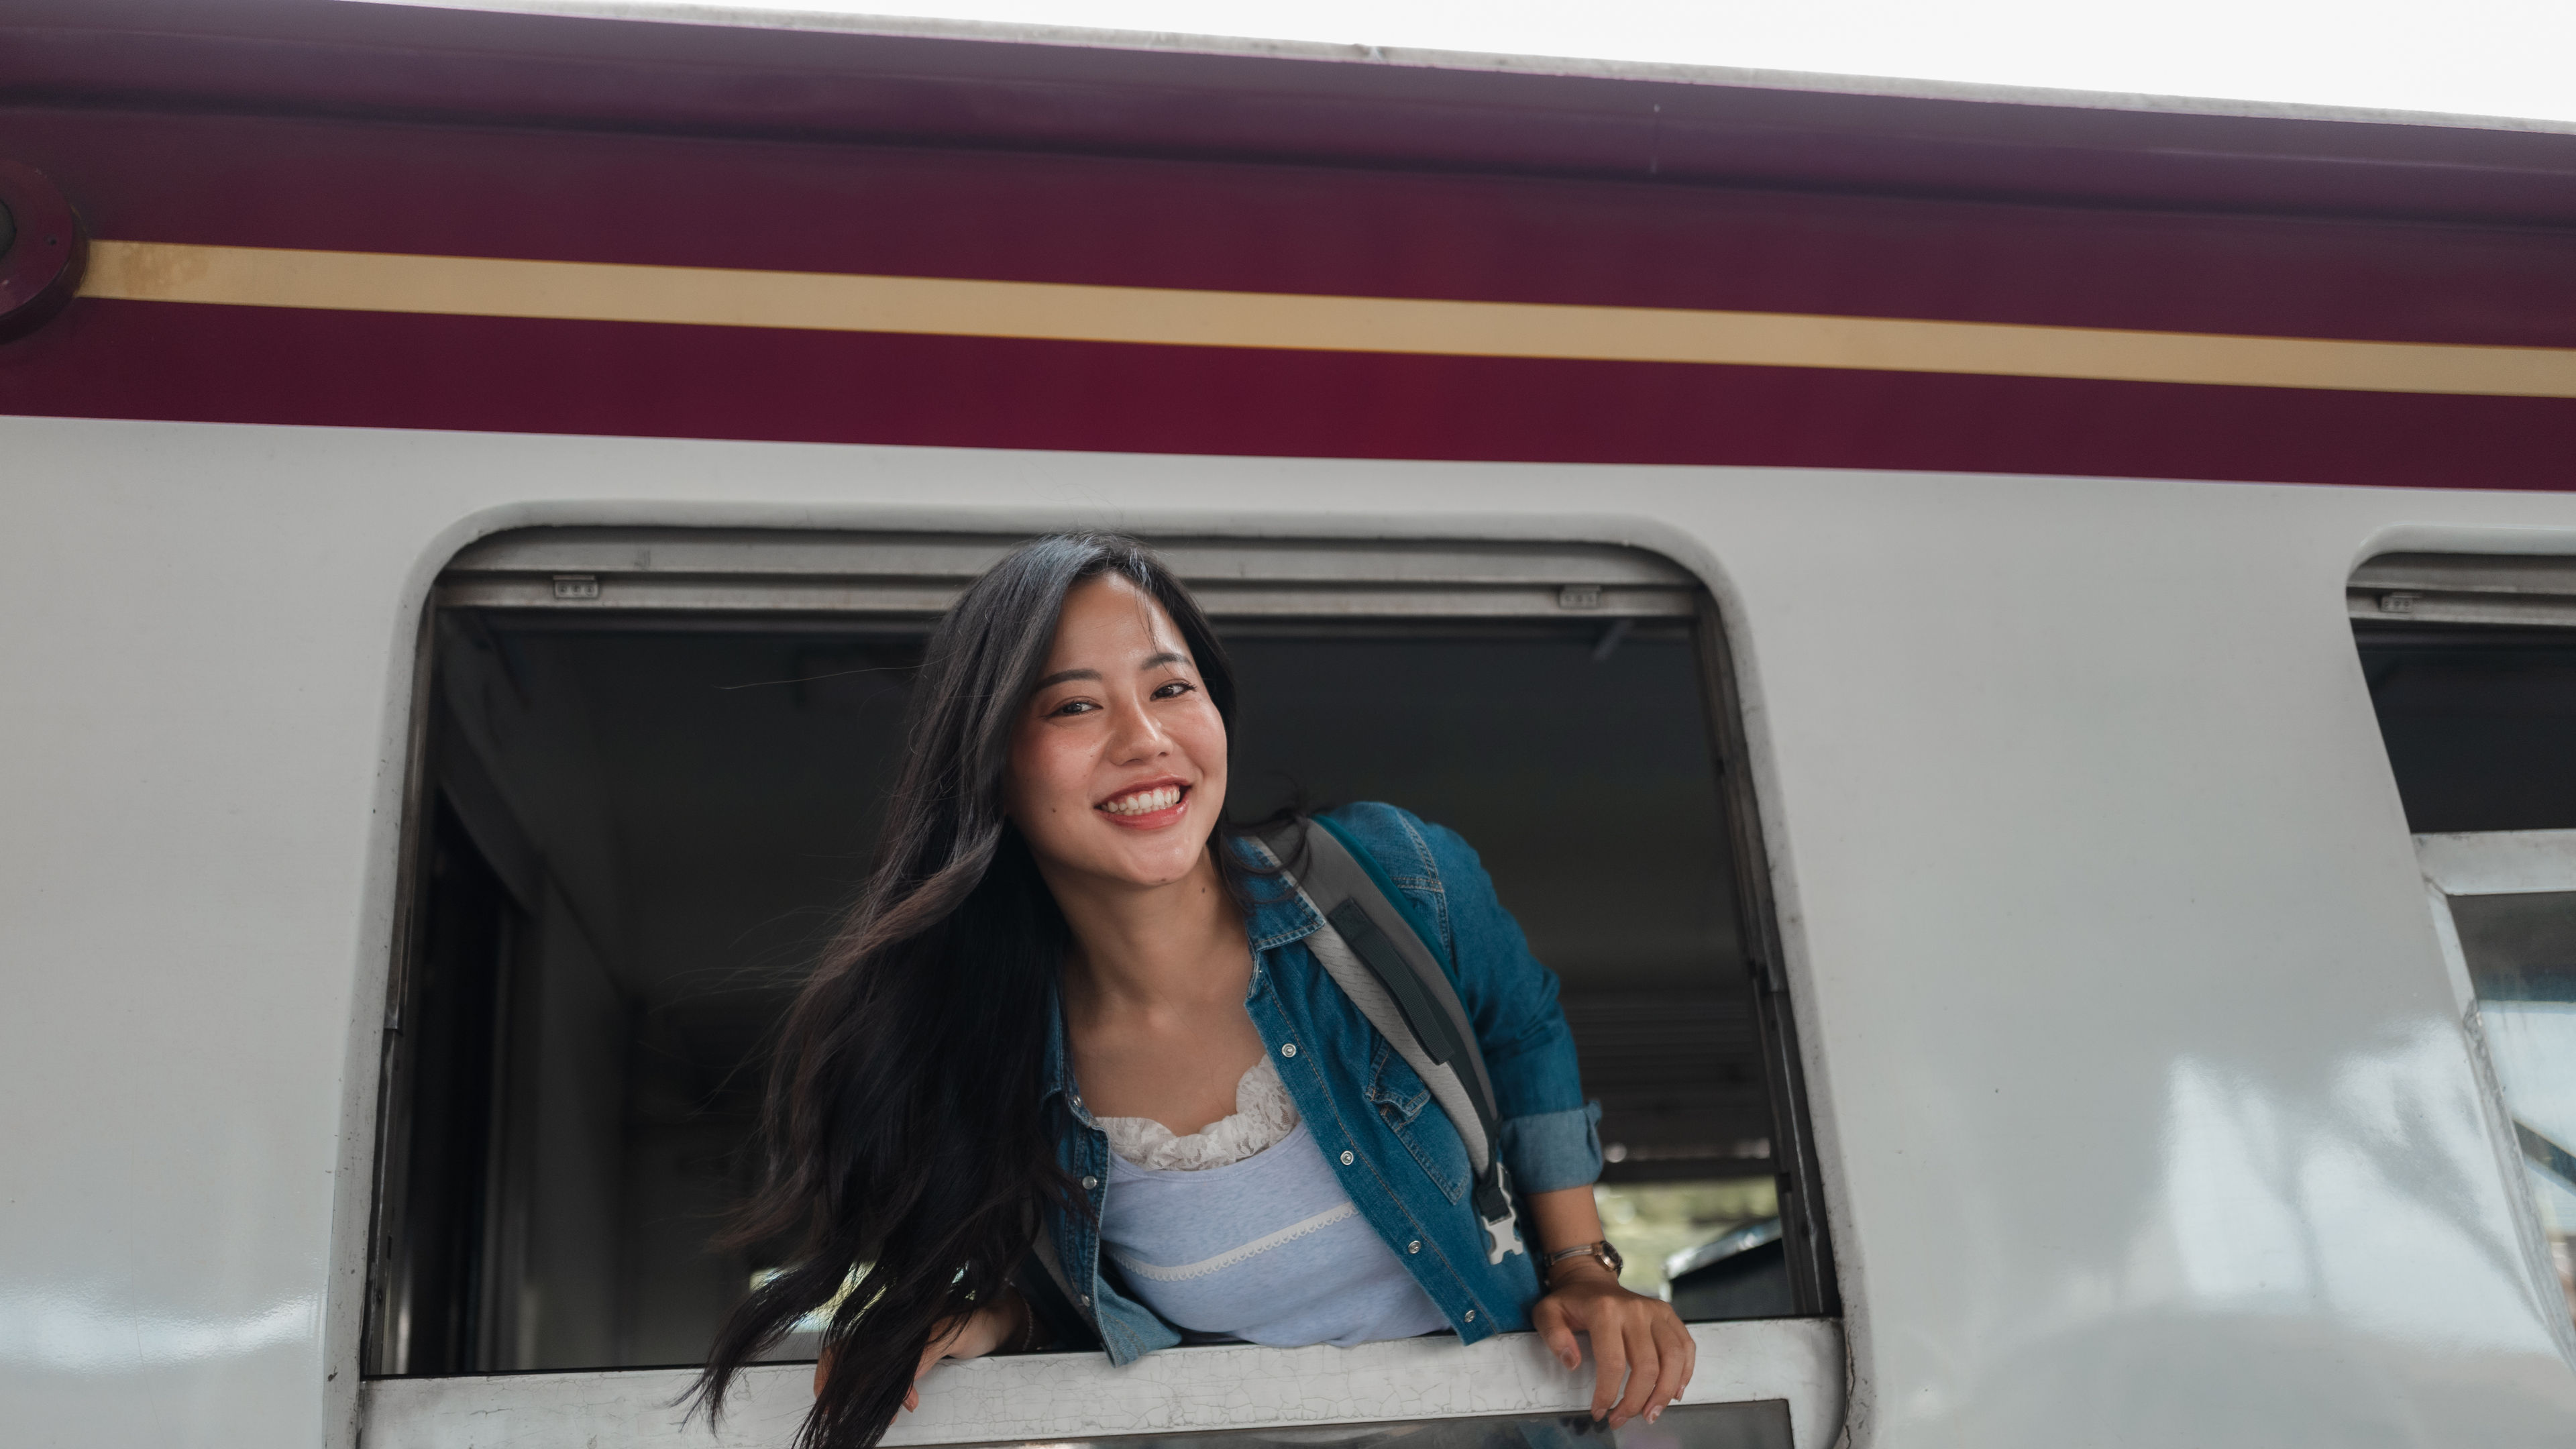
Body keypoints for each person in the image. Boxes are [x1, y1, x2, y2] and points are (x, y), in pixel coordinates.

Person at [696, 534, 1695, 1449]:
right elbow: (1082, 1304)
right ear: (994, 764)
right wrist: (990, 1315)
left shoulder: (1392, 877)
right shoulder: (986, 1050)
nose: (1144, 740)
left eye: (1171, 689)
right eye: (1075, 705)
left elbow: (1521, 1029)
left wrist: (1579, 1267)